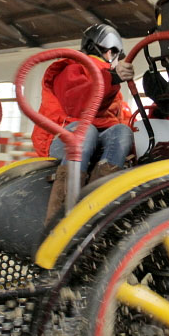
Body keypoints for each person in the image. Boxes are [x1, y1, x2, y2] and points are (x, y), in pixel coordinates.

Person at [31, 23, 135, 225]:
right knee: (86, 131)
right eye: (107, 50)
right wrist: (112, 77)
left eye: (114, 52)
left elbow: (122, 120)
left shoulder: (112, 84)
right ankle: (59, 219)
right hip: (65, 138)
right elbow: (79, 107)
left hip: (95, 140)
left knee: (122, 131)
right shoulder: (72, 69)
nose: (110, 55)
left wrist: (160, 111)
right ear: (92, 47)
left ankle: (95, 206)